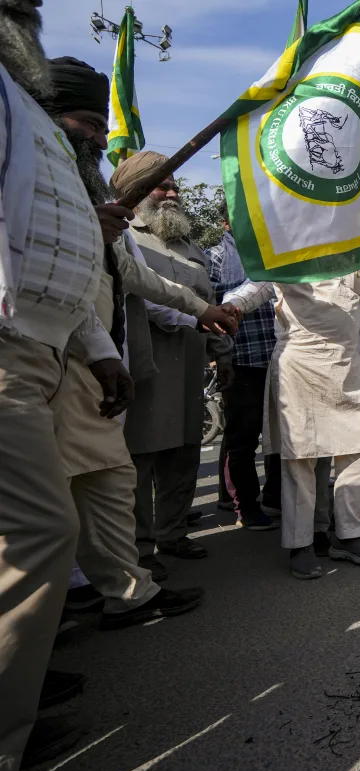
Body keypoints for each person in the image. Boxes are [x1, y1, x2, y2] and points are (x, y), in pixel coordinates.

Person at [0, 14, 134, 771]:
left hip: (46, 354)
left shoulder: (40, 134)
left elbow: (58, 259)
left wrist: (100, 350)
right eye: (86, 125)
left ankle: (17, 690)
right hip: (8, 349)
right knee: (40, 531)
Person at [40, 57, 217, 626]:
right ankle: (59, 609)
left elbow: (128, 279)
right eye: (89, 125)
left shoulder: (94, 210)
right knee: (48, 503)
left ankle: (123, 592)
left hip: (98, 367)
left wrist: (205, 309)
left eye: (102, 126)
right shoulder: (33, 191)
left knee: (107, 481)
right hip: (44, 364)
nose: (98, 140)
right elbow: (41, 275)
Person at [224, 263, 360, 578]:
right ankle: (301, 544)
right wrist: (230, 307)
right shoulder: (287, 253)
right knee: (301, 459)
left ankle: (349, 534)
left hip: (347, 364)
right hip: (299, 364)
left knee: (359, 451)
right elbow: (253, 289)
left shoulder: (354, 253)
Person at [111, 152, 235, 577]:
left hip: (191, 366)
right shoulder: (122, 236)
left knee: (184, 451)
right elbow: (143, 298)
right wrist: (195, 317)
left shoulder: (191, 248)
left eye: (174, 186)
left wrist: (222, 355)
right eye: (161, 186)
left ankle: (172, 532)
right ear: (135, 190)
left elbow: (210, 305)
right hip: (145, 364)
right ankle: (139, 549)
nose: (172, 193)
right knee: (141, 456)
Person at [208, 208, 280, 531]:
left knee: (281, 435)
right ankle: (246, 505)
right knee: (243, 437)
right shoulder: (215, 258)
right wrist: (218, 355)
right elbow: (210, 306)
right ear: (226, 222)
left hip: (279, 359)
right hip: (241, 360)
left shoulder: (275, 254)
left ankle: (276, 496)